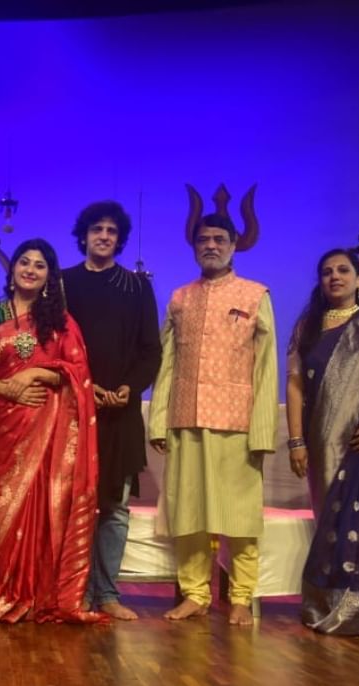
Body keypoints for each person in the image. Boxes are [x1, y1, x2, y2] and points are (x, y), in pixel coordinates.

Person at [0, 238, 101, 623]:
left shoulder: (61, 323)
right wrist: (4, 387)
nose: (31, 270)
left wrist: (37, 371)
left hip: (45, 428)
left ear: (49, 276)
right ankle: (2, 588)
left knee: (38, 507)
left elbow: (78, 373)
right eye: (25, 262)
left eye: (40, 265)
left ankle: (37, 593)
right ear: (13, 269)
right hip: (1, 424)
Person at [148, 213, 277, 626]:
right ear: (194, 246)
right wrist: (158, 420)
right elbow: (167, 362)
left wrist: (262, 431)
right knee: (189, 514)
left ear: (234, 245)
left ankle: (240, 597)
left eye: (220, 239)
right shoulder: (180, 298)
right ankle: (195, 595)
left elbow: (266, 367)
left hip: (236, 422)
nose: (211, 245)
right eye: (203, 239)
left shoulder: (255, 294)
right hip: (186, 417)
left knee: (240, 516)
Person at [286, 248, 359, 635]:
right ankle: (325, 603)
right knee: (329, 522)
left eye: (343, 270)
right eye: (326, 272)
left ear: (358, 277)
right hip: (321, 440)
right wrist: (296, 441)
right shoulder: (307, 327)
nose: (335, 277)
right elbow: (296, 387)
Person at [62, 201, 162, 620]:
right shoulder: (63, 283)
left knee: (115, 508)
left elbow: (150, 350)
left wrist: (128, 388)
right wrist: (87, 387)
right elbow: (57, 346)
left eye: (111, 230)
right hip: (73, 409)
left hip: (120, 412)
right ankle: (71, 592)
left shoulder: (138, 287)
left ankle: (106, 594)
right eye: (96, 229)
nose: (104, 236)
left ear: (120, 239)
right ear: (83, 235)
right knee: (72, 503)